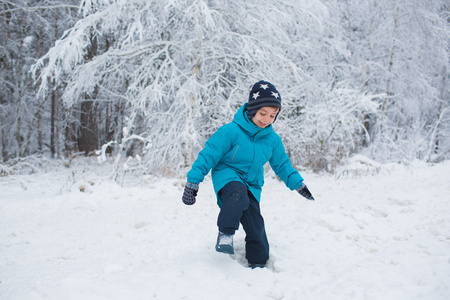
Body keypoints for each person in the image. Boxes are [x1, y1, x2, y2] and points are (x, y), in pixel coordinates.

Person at [182, 80, 315, 269]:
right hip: (228, 177)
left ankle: (258, 261)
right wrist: (193, 181)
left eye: (272, 115)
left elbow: (282, 164)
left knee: (256, 225)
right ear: (252, 109)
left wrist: (298, 184)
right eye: (263, 113)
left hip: (252, 184)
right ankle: (225, 234)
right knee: (238, 193)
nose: (267, 119)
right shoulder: (230, 131)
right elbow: (209, 154)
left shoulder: (272, 140)